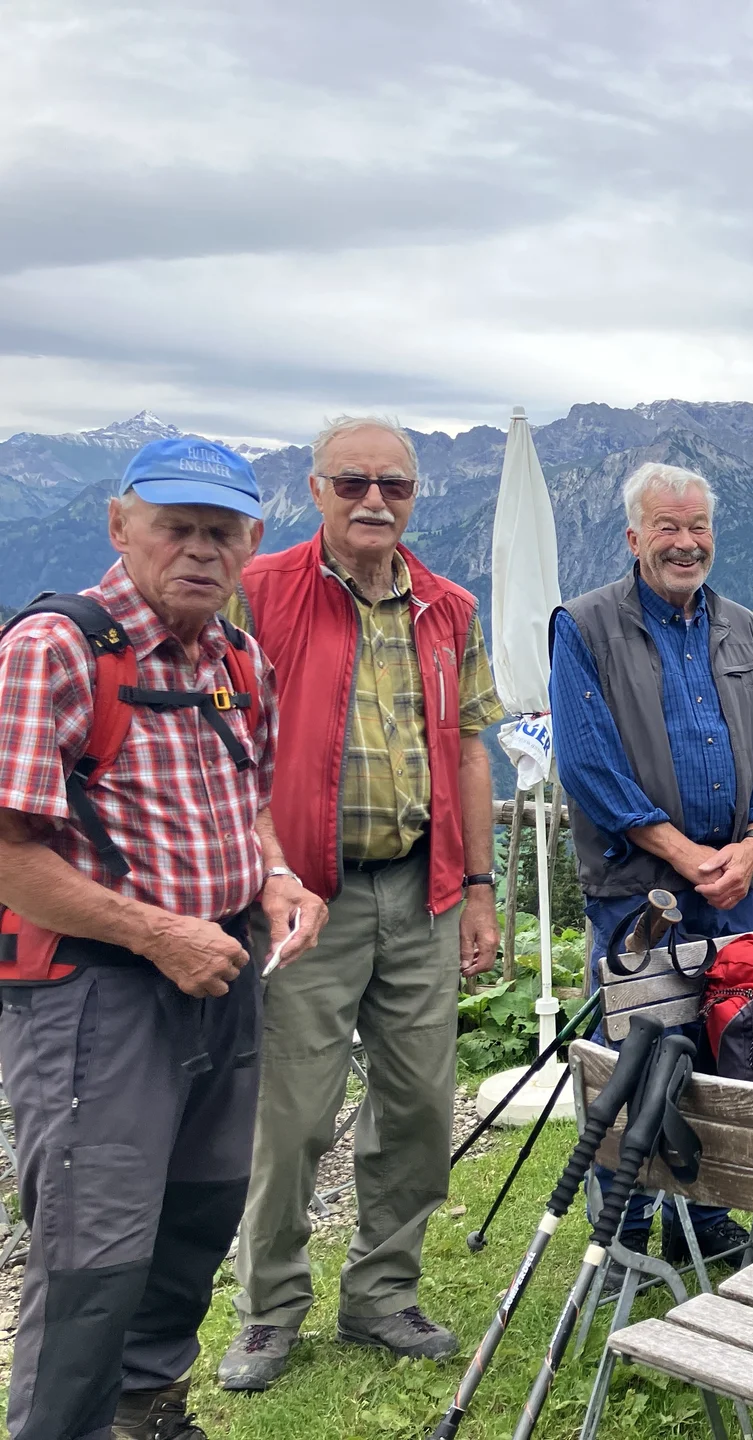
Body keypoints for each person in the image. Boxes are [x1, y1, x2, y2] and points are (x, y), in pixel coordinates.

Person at [0, 437, 325, 1440]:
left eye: (220, 532)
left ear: (252, 540)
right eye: (174, 528)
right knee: (94, 1245)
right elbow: (8, 853)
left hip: (223, 974)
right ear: (119, 527)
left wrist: (274, 877)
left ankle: (146, 1409)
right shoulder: (54, 650)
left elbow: (247, 802)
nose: (198, 550)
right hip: (97, 992)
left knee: (197, 1214)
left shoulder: (234, 656)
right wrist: (155, 935)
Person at [218, 417, 506, 1391]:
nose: (374, 499)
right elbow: (226, 749)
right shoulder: (261, 595)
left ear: (414, 495)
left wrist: (477, 888)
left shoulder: (450, 607)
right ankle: (268, 1310)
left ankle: (382, 1294)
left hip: (421, 889)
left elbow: (469, 748)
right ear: (315, 489)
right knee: (293, 1115)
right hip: (308, 896)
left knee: (420, 1104)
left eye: (393, 484)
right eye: (353, 483)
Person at [549, 460, 753, 1266]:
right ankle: (626, 1235)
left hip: (734, 890)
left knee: (730, 1044)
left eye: (698, 529)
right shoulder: (584, 626)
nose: (686, 544)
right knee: (637, 1055)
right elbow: (589, 765)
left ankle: (712, 1224)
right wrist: (686, 855)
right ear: (634, 537)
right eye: (667, 528)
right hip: (638, 896)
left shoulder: (744, 629)